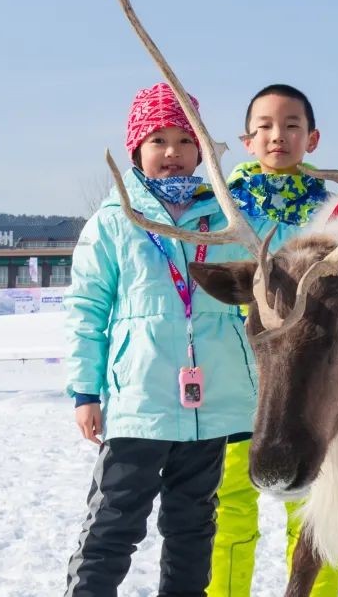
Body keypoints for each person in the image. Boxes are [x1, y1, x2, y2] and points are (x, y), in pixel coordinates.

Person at [63, 82, 276, 597]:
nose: (173, 153)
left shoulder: (228, 218)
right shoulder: (115, 221)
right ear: (137, 147)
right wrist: (86, 392)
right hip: (140, 400)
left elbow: (274, 268)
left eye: (185, 140)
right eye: (159, 140)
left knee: (193, 526)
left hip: (212, 400)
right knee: (115, 523)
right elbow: (87, 310)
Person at [208, 84, 338, 597]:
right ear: (246, 140)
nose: (277, 136)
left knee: (314, 515)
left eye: (291, 125)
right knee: (230, 512)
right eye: (263, 126)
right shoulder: (219, 211)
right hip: (233, 389)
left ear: (313, 137)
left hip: (310, 393)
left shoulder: (336, 214)